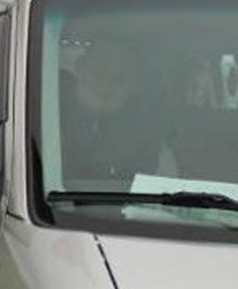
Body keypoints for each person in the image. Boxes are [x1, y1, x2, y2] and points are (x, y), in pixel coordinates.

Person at [61, 38, 164, 182]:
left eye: (120, 78)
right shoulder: (42, 116)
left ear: (134, 85)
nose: (107, 85)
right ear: (79, 69)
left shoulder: (147, 136)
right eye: (99, 73)